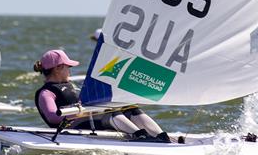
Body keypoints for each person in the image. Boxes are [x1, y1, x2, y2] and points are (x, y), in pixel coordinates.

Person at [33, 49, 170, 143]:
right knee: (111, 115)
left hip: (88, 119)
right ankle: (141, 137)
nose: (70, 70)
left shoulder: (69, 85)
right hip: (71, 130)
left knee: (131, 109)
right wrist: (80, 112)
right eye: (68, 67)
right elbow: (53, 117)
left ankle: (161, 137)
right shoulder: (46, 93)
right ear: (58, 68)